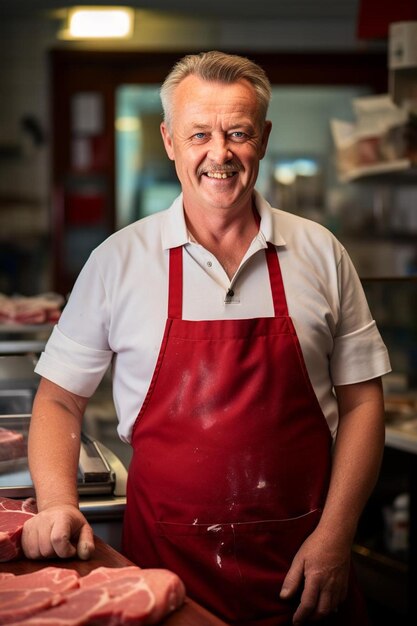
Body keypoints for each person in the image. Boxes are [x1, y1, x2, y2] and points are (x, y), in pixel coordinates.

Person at [22, 51, 391, 625]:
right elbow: (57, 399)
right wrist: (57, 504)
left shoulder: (321, 253)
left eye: (238, 133)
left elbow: (365, 402)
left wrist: (337, 536)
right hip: (164, 571)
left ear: (263, 139)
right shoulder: (118, 261)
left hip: (305, 568)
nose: (219, 154)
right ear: (169, 140)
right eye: (199, 134)